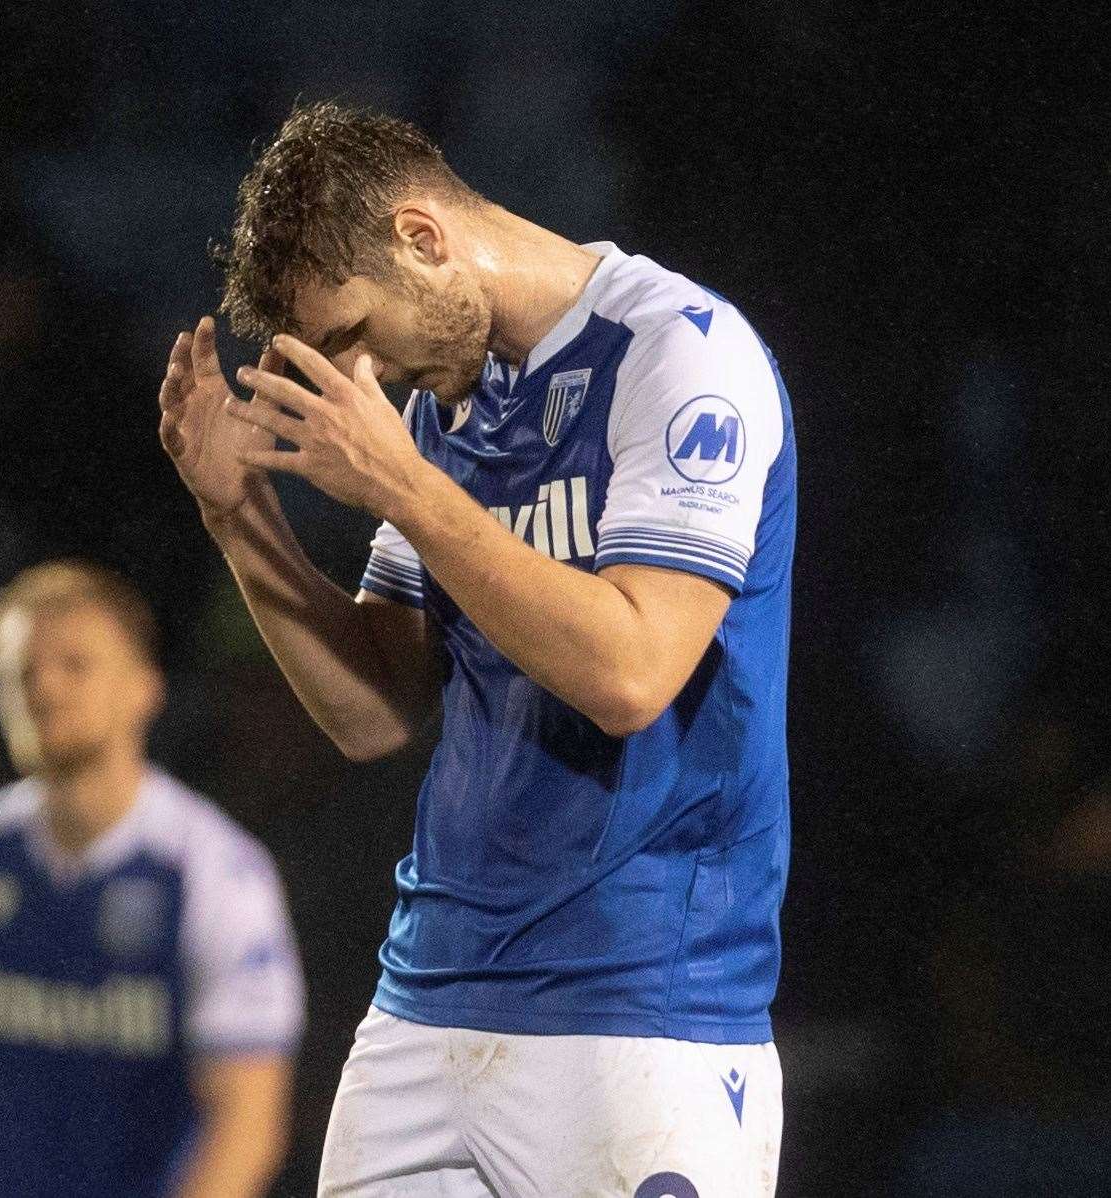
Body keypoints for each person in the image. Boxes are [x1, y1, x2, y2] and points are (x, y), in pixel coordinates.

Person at [159, 102, 795, 1197]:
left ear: (423, 237)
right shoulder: (441, 413)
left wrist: (405, 489)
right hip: (427, 1001)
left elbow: (632, 674)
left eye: (355, 334)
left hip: (640, 1005)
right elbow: (375, 712)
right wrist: (239, 518)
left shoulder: (681, 355)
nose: (366, 378)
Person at [0, 560, 304, 1198]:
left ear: (145, 687)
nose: (43, 690)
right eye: (19, 673)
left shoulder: (215, 872)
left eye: (75, 664)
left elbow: (247, 1118)